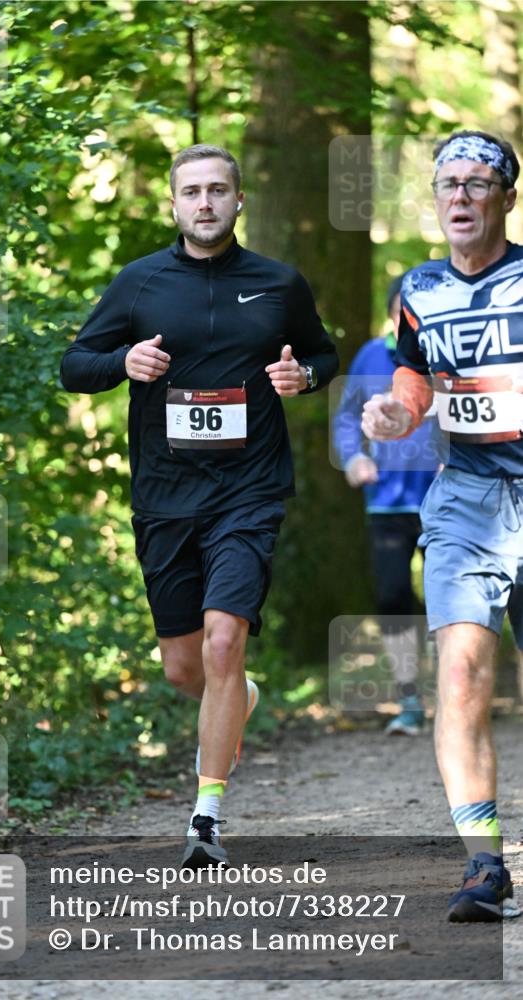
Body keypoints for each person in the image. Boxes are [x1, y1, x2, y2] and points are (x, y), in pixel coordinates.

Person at [60, 144, 338, 868]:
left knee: (222, 642)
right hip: (165, 495)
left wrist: (302, 377)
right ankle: (238, 694)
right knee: (186, 670)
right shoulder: (140, 282)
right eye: (192, 192)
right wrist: (122, 362)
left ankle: (205, 818)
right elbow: (74, 367)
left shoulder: (277, 283)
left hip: (248, 490)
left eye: (218, 190)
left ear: (239, 200)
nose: (205, 202)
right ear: (174, 204)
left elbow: (323, 354)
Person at [362, 130, 522, 922]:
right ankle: (484, 866)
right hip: (465, 496)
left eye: (475, 183)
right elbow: (413, 374)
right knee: (458, 678)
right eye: (446, 184)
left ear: (505, 198)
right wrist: (398, 412)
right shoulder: (417, 287)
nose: (459, 196)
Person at [333, 276, 438, 734]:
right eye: (402, 314)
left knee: (452, 601)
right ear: (392, 315)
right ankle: (410, 699)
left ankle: (459, 696)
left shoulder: (446, 353)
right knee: (394, 597)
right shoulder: (371, 356)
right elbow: (345, 417)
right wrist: (353, 457)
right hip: (387, 504)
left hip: (445, 500)